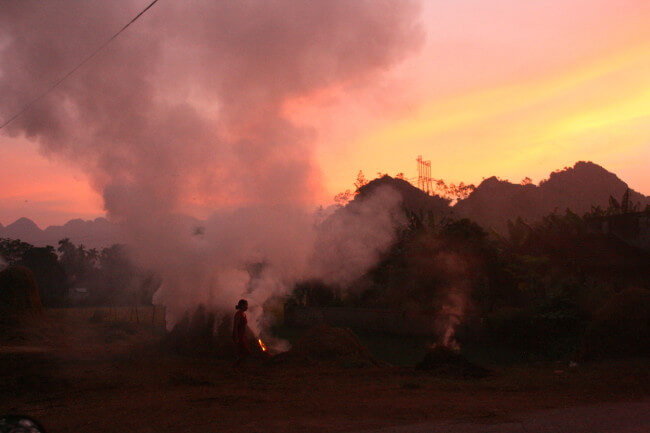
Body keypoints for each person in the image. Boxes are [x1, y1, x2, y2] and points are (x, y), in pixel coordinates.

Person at [232, 299, 250, 367]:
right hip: (238, 335)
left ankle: (239, 365)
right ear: (242, 305)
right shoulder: (238, 314)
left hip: (242, 335)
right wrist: (236, 337)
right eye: (246, 305)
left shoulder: (244, 314)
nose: (247, 307)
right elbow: (235, 326)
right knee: (241, 351)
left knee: (245, 351)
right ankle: (236, 366)